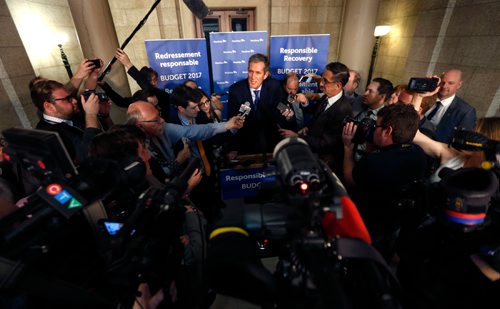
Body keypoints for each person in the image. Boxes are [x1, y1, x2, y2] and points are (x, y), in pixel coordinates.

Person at [342, 104, 428, 261]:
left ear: (388, 131)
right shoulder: (419, 154)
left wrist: (348, 148)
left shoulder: (375, 162)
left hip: (366, 228)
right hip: (393, 227)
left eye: (376, 126)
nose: (373, 129)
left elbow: (350, 180)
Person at [279, 62, 353, 179]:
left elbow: (325, 144)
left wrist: (297, 137)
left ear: (338, 85)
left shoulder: (342, 110)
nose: (321, 84)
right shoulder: (327, 96)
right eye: (322, 79)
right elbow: (317, 116)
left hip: (324, 165)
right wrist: (308, 128)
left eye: (325, 81)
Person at [227, 53, 293, 156]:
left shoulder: (274, 86)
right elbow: (231, 122)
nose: (253, 77)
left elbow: (281, 107)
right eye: (250, 72)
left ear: (265, 75)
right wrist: (233, 148)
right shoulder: (236, 90)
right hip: (245, 146)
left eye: (258, 73)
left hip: (270, 144)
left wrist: (288, 113)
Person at [30, 79, 101, 164]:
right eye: (68, 99)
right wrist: (91, 114)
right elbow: (87, 156)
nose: (74, 101)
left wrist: (103, 116)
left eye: (72, 97)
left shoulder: (70, 115)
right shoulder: (51, 134)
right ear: (49, 106)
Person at [115, 48, 171, 120]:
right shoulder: (140, 98)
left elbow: (148, 88)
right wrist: (104, 85)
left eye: (155, 79)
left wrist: (128, 64)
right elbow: (120, 102)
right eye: (151, 80)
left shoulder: (163, 95)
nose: (155, 83)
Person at [424, 69, 476, 143]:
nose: (444, 86)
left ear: (459, 85)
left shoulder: (466, 111)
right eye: (442, 82)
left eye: (450, 83)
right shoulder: (425, 97)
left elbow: (461, 142)